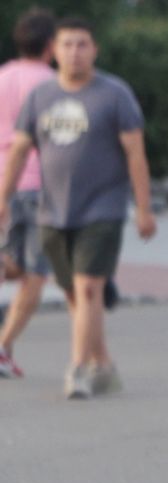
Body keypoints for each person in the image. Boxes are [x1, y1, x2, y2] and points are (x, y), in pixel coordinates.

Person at [0, 17, 154, 400]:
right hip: (50, 209)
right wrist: (1, 199)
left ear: (94, 50)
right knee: (76, 294)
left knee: (86, 289)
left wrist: (144, 207)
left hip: (102, 208)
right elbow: (19, 150)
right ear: (54, 50)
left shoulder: (114, 94)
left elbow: (135, 152)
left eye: (82, 44)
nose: (74, 52)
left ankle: (78, 370)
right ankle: (103, 363)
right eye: (67, 45)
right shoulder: (41, 96)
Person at [0, 7, 54, 380]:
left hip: (2, 182)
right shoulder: (54, 84)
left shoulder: (1, 77)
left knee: (13, 264)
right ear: (52, 45)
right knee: (36, 273)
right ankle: (3, 348)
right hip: (39, 183)